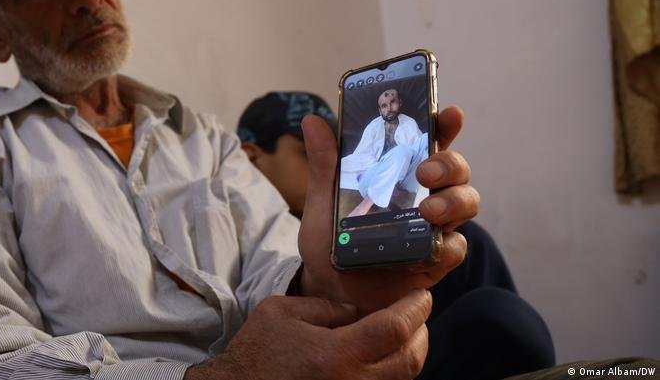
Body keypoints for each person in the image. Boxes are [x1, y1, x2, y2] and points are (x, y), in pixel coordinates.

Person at [0, 0, 625, 380]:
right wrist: (218, 376)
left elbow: (278, 281)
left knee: (493, 306)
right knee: (503, 329)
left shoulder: (199, 135)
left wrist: (329, 275)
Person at [238, 91, 555, 380]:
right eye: (309, 153)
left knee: (462, 238)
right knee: (503, 321)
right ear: (251, 158)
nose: (328, 167)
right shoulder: (236, 221)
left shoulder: (396, 132)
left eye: (336, 151)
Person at [339, 88, 429, 217]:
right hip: (374, 175)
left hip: (402, 176)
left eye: (393, 102)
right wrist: (382, 163)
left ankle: (392, 194)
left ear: (400, 103)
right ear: (380, 110)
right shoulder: (373, 126)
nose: (389, 108)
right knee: (342, 167)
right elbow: (361, 155)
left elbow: (416, 155)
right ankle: (371, 202)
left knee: (425, 139)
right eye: (384, 106)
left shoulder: (409, 123)